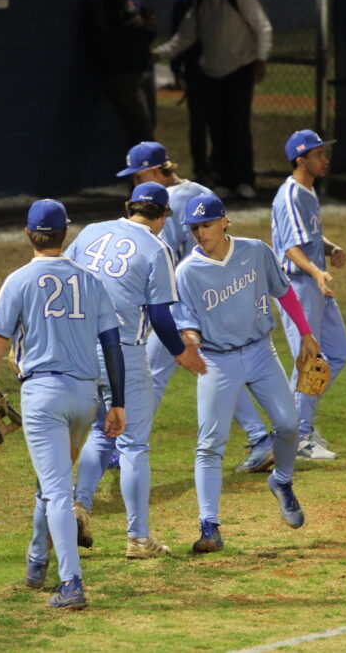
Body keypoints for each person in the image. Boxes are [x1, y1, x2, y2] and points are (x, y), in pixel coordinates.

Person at [0, 199, 126, 609]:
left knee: (58, 490)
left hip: (44, 397)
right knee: (51, 482)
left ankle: (72, 583)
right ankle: (36, 560)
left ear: (28, 234)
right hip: (85, 397)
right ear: (66, 234)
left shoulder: (20, 280)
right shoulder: (91, 281)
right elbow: (112, 344)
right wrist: (117, 402)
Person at [64, 182, 205, 559]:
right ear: (162, 217)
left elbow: (65, 281)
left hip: (76, 350)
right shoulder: (157, 248)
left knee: (101, 428)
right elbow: (160, 314)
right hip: (121, 352)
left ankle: (80, 506)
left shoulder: (91, 231)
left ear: (130, 207)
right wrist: (180, 352)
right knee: (133, 444)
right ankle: (138, 538)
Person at [120, 142, 277, 474]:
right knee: (211, 369)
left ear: (152, 170)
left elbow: (167, 258)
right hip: (213, 298)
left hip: (185, 302)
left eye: (137, 177)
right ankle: (260, 437)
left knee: (154, 374)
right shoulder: (199, 190)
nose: (136, 185)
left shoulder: (170, 204)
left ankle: (126, 447)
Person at [173, 193, 317, 553]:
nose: (200, 233)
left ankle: (281, 481)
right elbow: (186, 319)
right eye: (194, 227)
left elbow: (284, 293)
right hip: (216, 361)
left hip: (260, 352)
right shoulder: (187, 271)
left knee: (289, 425)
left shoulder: (255, 251)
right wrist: (188, 338)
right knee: (209, 445)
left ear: (225, 222)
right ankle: (209, 527)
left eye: (206, 225)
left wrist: (305, 333)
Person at [153, 0, 272, 201]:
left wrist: (261, 59)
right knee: (218, 130)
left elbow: (262, 26)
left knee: (238, 127)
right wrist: (160, 53)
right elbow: (185, 36)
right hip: (211, 74)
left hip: (239, 70)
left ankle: (245, 180)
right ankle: (225, 180)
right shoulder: (200, 0)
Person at [272, 130, 346, 461]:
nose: (325, 159)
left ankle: (298, 423)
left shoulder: (307, 192)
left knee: (338, 352)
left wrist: (329, 248)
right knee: (309, 360)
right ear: (301, 159)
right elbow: (290, 248)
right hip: (299, 286)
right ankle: (298, 435)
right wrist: (317, 271)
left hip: (315, 284)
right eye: (319, 154)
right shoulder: (291, 195)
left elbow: (308, 237)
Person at [83, 0, 157, 147]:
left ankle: (137, 173)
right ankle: (145, 174)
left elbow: (145, 35)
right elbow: (100, 38)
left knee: (148, 126)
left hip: (141, 67)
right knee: (143, 132)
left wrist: (149, 27)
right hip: (121, 73)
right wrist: (131, 25)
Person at [167, 0, 210, 185]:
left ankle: (219, 169)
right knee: (198, 123)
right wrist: (177, 68)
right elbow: (179, 33)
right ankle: (201, 168)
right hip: (195, 70)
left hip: (221, 70)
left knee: (222, 123)